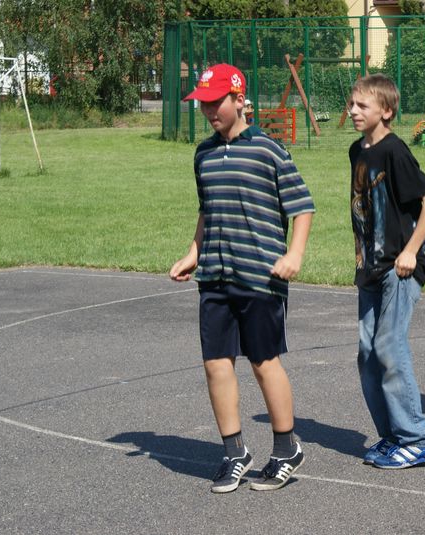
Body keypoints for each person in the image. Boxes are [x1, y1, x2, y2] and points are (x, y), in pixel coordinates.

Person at [170, 64, 315, 493]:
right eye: (202, 104)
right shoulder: (203, 154)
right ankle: (234, 453)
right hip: (215, 274)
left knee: (263, 361)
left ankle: (286, 448)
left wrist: (294, 254)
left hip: (260, 276)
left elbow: (302, 206)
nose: (208, 111)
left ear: (239, 100)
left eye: (215, 102)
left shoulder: (269, 150)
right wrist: (194, 252)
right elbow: (206, 210)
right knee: (216, 363)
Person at [347, 74, 425, 468]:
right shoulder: (357, 151)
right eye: (352, 104)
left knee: (389, 345)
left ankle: (417, 439)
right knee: (368, 354)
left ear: (386, 111)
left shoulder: (394, 151)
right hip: (370, 268)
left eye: (363, 105)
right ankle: (392, 436)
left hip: (399, 267)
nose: (354, 111)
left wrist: (410, 250)